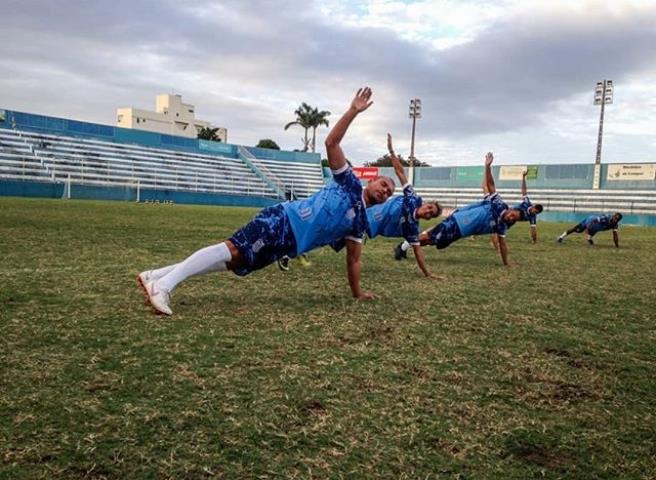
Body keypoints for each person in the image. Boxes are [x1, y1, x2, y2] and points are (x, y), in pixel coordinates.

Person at [138, 87, 395, 315]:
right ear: (372, 181)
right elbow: (331, 142)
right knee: (233, 249)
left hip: (287, 244)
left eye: (389, 192)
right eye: (384, 184)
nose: (385, 191)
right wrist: (352, 111)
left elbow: (353, 260)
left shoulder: (360, 222)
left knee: (236, 260)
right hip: (282, 220)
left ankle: (157, 275)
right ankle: (163, 286)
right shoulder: (349, 182)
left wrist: (357, 293)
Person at [395, 152, 522, 266]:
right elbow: (489, 185)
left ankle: (404, 246)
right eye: (513, 214)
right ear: (511, 209)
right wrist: (487, 167)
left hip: (461, 229)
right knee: (431, 237)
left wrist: (506, 263)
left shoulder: (502, 225)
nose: (511, 217)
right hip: (459, 221)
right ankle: (402, 247)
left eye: (513, 219)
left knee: (432, 241)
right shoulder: (498, 203)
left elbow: (503, 244)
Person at [368, 133, 442, 278]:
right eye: (429, 208)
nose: (428, 212)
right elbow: (400, 172)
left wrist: (428, 273)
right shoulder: (412, 197)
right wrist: (391, 152)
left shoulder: (413, 228)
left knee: (340, 237)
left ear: (428, 219)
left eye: (430, 214)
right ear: (426, 204)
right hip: (369, 210)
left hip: (370, 228)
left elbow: (417, 251)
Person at [483, 169, 544, 250]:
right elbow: (524, 190)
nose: (535, 214)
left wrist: (535, 241)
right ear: (533, 207)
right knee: (493, 224)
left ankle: (495, 243)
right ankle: (492, 241)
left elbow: (533, 229)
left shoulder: (533, 217)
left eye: (537, 213)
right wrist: (523, 178)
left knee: (496, 228)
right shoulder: (527, 203)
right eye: (535, 212)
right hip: (507, 214)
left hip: (511, 221)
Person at [556, 213, 622, 247]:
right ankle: (561, 237)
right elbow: (593, 220)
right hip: (589, 221)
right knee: (576, 229)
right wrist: (587, 228)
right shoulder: (605, 218)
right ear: (613, 216)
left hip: (597, 227)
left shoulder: (615, 225)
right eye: (615, 218)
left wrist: (617, 245)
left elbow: (615, 235)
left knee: (593, 232)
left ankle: (589, 239)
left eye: (617, 220)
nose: (615, 220)